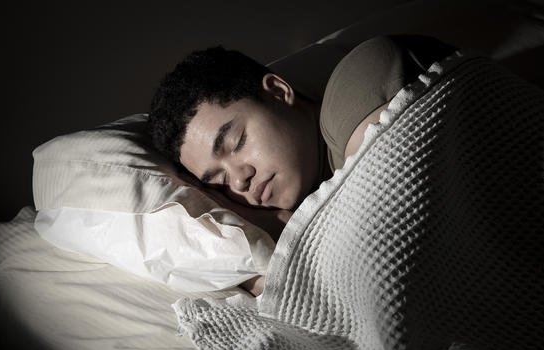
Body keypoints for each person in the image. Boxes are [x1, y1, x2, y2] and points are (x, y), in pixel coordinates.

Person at [148, 35, 455, 295]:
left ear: (279, 92)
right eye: (219, 180)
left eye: (236, 142)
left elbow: (394, 264)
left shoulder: (361, 79)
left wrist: (284, 232)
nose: (239, 180)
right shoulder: (311, 195)